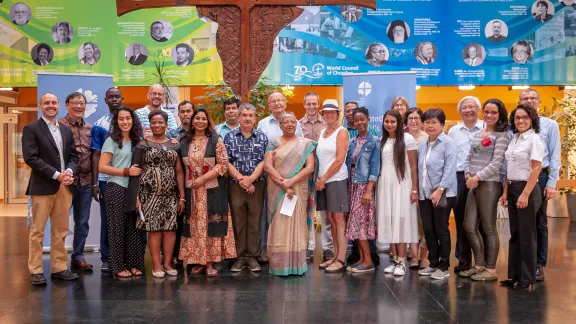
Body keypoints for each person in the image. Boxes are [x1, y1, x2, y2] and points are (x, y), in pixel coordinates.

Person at [23, 93, 79, 285]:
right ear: (40, 106)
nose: (50, 105)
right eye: (46, 103)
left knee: (61, 230)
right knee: (37, 231)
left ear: (59, 106)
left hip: (64, 187)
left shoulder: (65, 130)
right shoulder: (31, 129)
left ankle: (59, 267)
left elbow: (73, 156)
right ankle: (36, 270)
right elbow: (31, 157)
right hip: (42, 187)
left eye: (54, 102)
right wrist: (57, 174)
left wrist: (70, 171)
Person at [179, 108, 236, 276]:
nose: (200, 121)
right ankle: (198, 261)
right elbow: (180, 168)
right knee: (194, 226)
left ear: (208, 121)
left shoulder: (215, 140)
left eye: (204, 118)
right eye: (197, 118)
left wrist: (203, 178)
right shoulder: (184, 141)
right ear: (192, 121)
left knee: (211, 225)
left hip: (212, 190)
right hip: (192, 191)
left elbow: (223, 164)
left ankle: (209, 262)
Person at [129, 110, 185, 278]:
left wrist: (182, 196)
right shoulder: (142, 145)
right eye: (154, 122)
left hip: (171, 194)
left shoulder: (175, 144)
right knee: (153, 230)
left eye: (161, 122)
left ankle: (168, 263)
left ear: (167, 125)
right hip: (149, 194)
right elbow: (136, 171)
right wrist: (136, 196)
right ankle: (156, 265)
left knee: (170, 230)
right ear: (149, 125)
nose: (157, 125)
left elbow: (180, 171)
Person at [460, 99, 510, 281]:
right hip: (473, 183)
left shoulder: (502, 135)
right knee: (469, 226)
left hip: (489, 184)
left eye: (494, 112)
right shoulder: (478, 134)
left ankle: (490, 269)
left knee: (488, 227)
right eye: (487, 111)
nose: (489, 115)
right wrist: (467, 175)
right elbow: (468, 157)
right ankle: (479, 264)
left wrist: (477, 177)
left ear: (500, 114)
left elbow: (497, 163)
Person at [264, 112, 317, 276]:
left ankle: (296, 264)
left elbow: (310, 167)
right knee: (279, 224)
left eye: (293, 121)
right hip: (277, 188)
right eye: (285, 122)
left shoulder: (305, 143)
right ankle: (280, 265)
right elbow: (268, 166)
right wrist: (284, 183)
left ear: (297, 124)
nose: (289, 124)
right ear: (280, 126)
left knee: (296, 224)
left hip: (297, 189)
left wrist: (291, 182)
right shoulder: (273, 142)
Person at [500, 104, 545, 290]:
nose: (520, 121)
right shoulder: (515, 139)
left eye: (525, 117)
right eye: (517, 118)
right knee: (515, 235)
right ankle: (514, 276)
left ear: (532, 119)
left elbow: (536, 168)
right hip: (512, 188)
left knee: (527, 236)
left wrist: (525, 194)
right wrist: (505, 192)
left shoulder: (534, 140)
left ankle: (527, 279)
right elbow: (509, 169)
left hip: (527, 189)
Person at [518, 88, 561, 281]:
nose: (529, 101)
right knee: (520, 222)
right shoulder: (515, 124)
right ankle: (523, 261)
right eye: (525, 98)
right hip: (518, 178)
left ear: (539, 101)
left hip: (540, 177)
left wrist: (552, 183)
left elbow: (555, 155)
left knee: (539, 222)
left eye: (532, 98)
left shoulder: (550, 125)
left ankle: (538, 264)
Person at [98, 106, 145, 278]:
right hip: (116, 187)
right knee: (117, 228)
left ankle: (134, 264)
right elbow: (102, 167)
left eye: (128, 118)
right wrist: (125, 171)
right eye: (121, 119)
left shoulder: (138, 140)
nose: (125, 122)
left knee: (134, 228)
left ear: (133, 120)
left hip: (135, 189)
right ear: (116, 121)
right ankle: (117, 266)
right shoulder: (111, 140)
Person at [257, 91, 303, 263]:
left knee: (288, 214)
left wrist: (292, 178)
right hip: (270, 177)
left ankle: (288, 249)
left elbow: (300, 147)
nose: (276, 103)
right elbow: (261, 151)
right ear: (268, 105)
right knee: (268, 213)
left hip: (292, 177)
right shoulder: (262, 124)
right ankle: (266, 249)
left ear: (285, 103)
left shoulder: (295, 122)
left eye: (279, 100)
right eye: (272, 101)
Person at [225, 104, 268, 272]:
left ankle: (252, 257)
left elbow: (265, 161)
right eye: (244, 115)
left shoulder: (262, 137)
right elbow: (225, 161)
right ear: (239, 117)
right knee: (238, 220)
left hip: (257, 184)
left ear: (255, 118)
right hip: (235, 185)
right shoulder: (229, 137)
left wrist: (251, 180)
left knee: (255, 221)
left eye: (251, 115)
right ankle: (239, 257)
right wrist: (242, 180)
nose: (248, 118)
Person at [377, 110, 419, 277]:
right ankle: (395, 259)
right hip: (385, 185)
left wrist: (414, 189)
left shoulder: (407, 139)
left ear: (399, 123)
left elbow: (414, 166)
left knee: (401, 221)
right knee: (390, 220)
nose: (389, 124)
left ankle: (402, 261)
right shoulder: (383, 140)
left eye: (392, 121)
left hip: (402, 184)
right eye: (386, 121)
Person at [417, 108, 457, 280]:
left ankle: (444, 266)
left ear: (441, 124)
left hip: (444, 194)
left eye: (434, 122)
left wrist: (440, 190)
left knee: (441, 229)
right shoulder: (423, 144)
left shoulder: (448, 143)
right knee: (428, 229)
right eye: (427, 122)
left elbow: (450, 168)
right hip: (425, 194)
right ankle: (433, 263)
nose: (430, 125)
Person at [447, 96, 485, 273]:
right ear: (460, 111)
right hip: (460, 178)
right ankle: (463, 260)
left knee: (482, 222)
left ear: (478, 109)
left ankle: (483, 262)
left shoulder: (487, 128)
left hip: (483, 178)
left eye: (472, 107)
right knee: (462, 220)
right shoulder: (454, 131)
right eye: (464, 108)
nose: (468, 110)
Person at [58, 92, 94, 272]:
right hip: (64, 182)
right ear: (67, 105)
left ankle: (78, 257)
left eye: (82, 103)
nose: (79, 106)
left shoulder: (89, 127)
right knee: (61, 222)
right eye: (75, 103)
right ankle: (59, 260)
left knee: (82, 221)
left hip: (86, 181)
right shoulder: (59, 125)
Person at [91, 87, 124, 272]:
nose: (114, 100)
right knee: (107, 219)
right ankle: (106, 257)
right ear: (105, 100)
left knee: (128, 218)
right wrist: (95, 183)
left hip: (128, 178)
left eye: (117, 97)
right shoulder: (100, 124)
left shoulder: (130, 121)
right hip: (105, 179)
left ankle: (126, 256)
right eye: (110, 97)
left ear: (122, 98)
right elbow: (95, 155)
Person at [316, 99, 350, 273]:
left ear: (338, 114)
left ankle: (342, 259)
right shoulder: (322, 133)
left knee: (339, 220)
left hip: (336, 180)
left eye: (332, 112)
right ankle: (335, 256)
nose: (329, 114)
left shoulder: (342, 132)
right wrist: (318, 179)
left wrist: (323, 179)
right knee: (330, 220)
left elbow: (339, 160)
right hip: (323, 182)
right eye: (326, 112)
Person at [299, 92, 333, 261]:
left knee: (326, 211)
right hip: (306, 174)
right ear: (304, 104)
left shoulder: (327, 124)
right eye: (308, 104)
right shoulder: (298, 125)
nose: (311, 107)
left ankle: (328, 247)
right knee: (308, 212)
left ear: (318, 104)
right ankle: (309, 247)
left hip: (325, 173)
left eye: (314, 104)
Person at [345, 108, 380, 273]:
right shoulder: (352, 142)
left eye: (362, 119)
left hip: (363, 188)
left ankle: (368, 261)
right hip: (352, 186)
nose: (359, 123)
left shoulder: (374, 142)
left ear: (368, 119)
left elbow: (375, 168)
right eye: (356, 120)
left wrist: (368, 190)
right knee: (354, 225)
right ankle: (361, 258)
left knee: (361, 225)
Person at [404, 107, 429, 268]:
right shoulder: (401, 138)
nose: (413, 121)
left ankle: (424, 256)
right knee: (411, 221)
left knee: (425, 222)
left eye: (417, 118)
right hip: (406, 184)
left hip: (425, 184)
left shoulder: (428, 138)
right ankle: (413, 255)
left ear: (421, 120)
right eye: (410, 118)